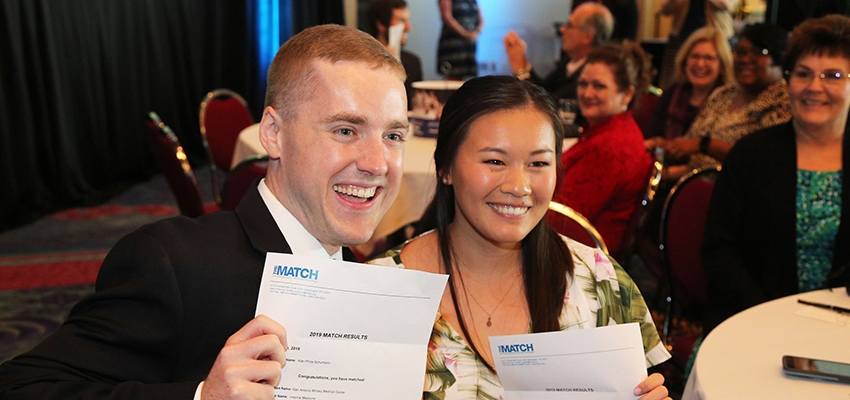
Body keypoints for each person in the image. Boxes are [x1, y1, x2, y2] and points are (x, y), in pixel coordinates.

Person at [0, 24, 410, 399]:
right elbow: (21, 387)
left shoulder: (367, 278)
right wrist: (202, 398)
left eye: (393, 135)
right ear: (274, 134)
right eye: (345, 130)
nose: (378, 163)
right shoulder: (176, 263)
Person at [370, 75, 671, 399]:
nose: (519, 186)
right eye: (495, 161)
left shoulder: (598, 280)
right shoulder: (379, 293)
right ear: (446, 167)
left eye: (538, 163)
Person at [702, 14, 850, 335]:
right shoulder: (751, 153)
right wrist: (770, 317)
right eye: (803, 74)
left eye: (833, 75)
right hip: (753, 320)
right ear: (787, 80)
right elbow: (719, 251)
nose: (814, 87)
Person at [550, 43, 652, 256]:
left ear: (626, 95)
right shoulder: (612, 130)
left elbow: (564, 220)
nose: (586, 93)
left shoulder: (611, 147)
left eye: (599, 86)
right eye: (583, 84)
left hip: (581, 257)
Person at [664, 23, 792, 180]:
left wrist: (705, 145)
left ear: (779, 57)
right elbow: (689, 144)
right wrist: (664, 147)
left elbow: (763, 160)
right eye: (740, 52)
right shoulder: (723, 94)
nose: (746, 59)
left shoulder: (783, 101)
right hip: (690, 187)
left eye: (758, 52)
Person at [645, 27, 734, 148]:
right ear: (684, 61)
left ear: (722, 65)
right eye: (695, 56)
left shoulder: (729, 102)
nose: (700, 64)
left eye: (709, 58)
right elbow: (651, 137)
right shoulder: (672, 93)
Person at [504, 2, 614, 101]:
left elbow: (549, 104)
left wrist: (520, 70)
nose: (562, 30)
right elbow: (545, 89)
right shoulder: (569, 61)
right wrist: (523, 63)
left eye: (570, 25)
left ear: (587, 38)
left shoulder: (593, 72)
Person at [658, 0, 737, 88]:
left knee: (721, 80)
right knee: (671, 80)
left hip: (717, 37)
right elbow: (665, 10)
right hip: (681, 36)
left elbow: (726, 5)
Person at [367, 0, 423, 110]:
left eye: (408, 20)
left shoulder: (413, 61)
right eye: (401, 20)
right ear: (381, 24)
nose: (408, 27)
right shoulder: (362, 61)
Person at [437, 0, 482, 79]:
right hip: (453, 44)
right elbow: (446, 17)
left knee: (469, 78)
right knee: (453, 75)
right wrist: (464, 33)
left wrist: (476, 32)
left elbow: (481, 18)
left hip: (469, 44)